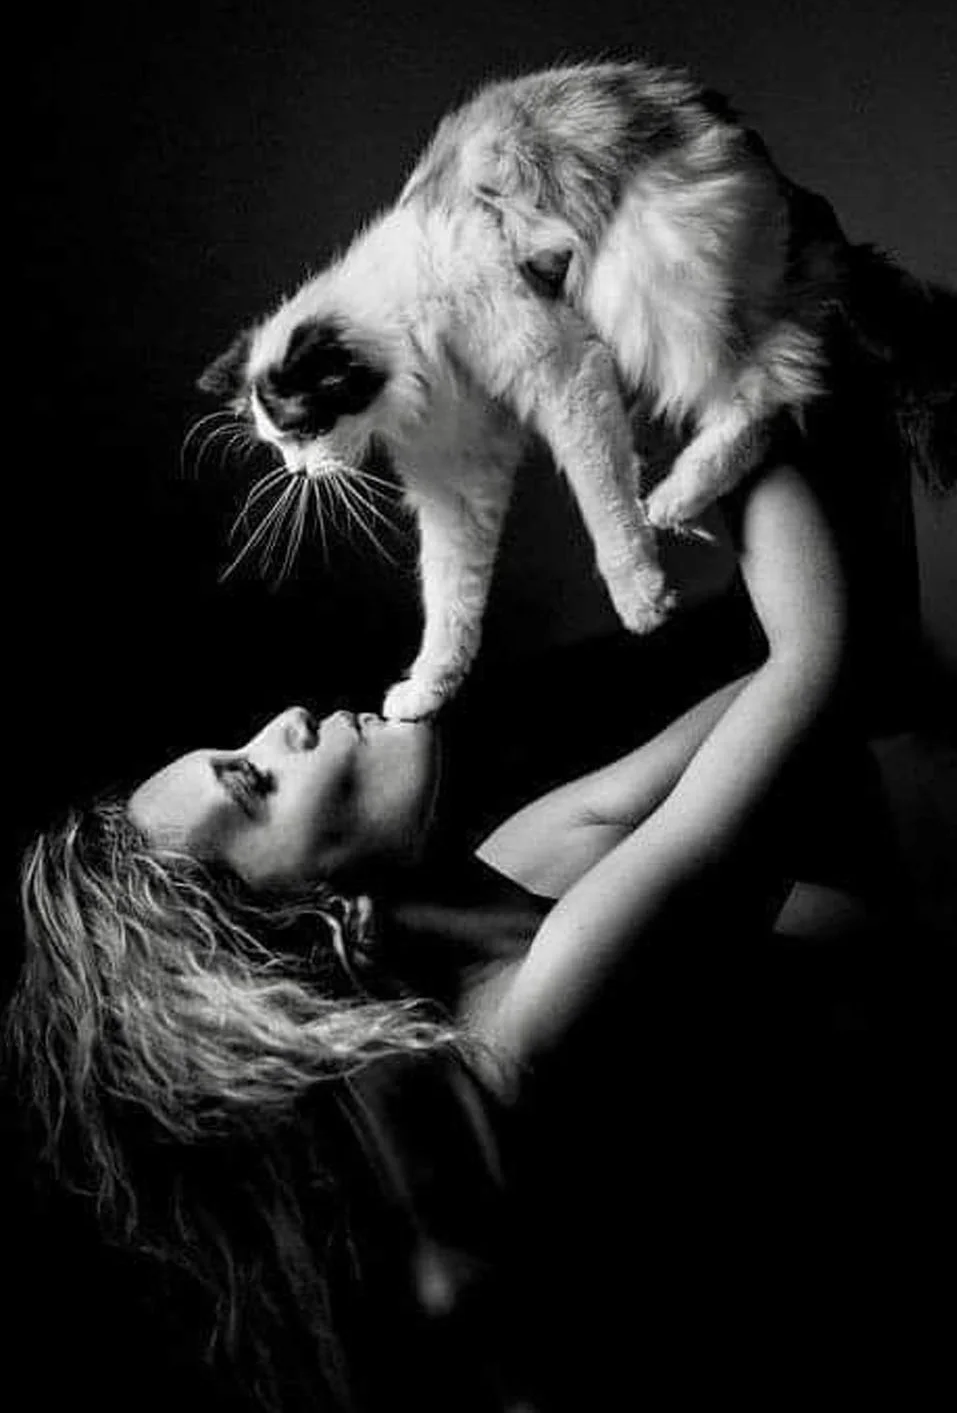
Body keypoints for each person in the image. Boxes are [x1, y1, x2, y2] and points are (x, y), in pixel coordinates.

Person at [5, 459, 883, 1412]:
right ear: (318, 921)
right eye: (255, 783)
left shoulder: (517, 853)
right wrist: (719, 419)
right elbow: (811, 661)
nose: (285, 723)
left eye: (243, 743)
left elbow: (768, 699)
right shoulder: (527, 1022)